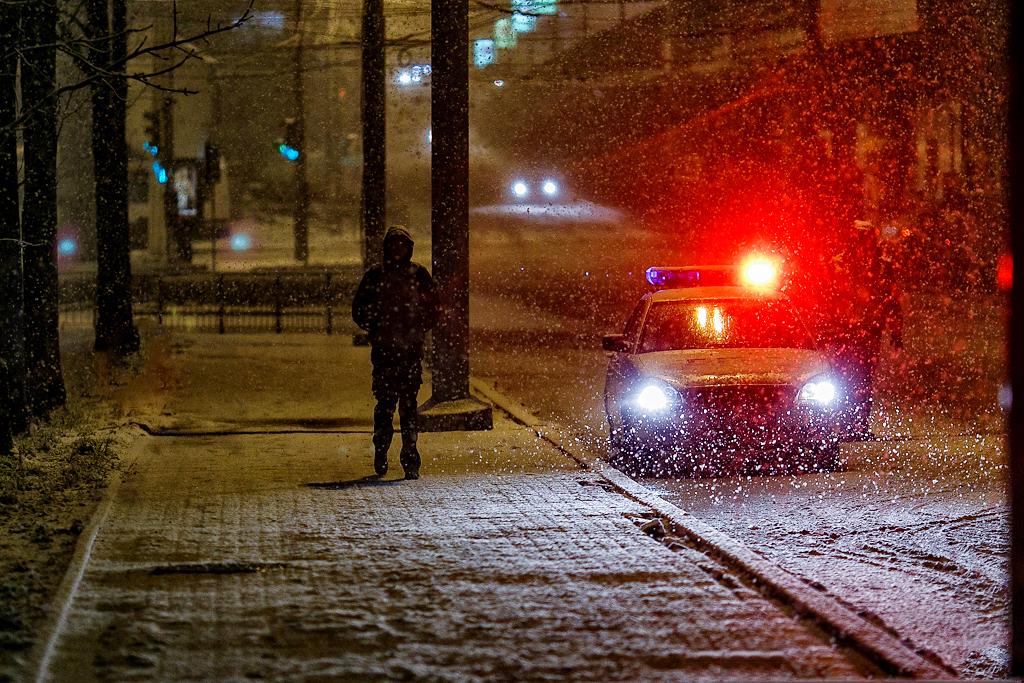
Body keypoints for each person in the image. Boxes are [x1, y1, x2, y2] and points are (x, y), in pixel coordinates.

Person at [352, 226, 439, 479]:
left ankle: (409, 456)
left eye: (402, 245)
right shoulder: (378, 275)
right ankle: (383, 450)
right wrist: (376, 324)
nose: (398, 249)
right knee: (386, 405)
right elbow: (359, 308)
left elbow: (434, 306)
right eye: (394, 245)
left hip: (409, 350)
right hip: (386, 351)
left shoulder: (416, 273)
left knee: (408, 406)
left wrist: (419, 325)